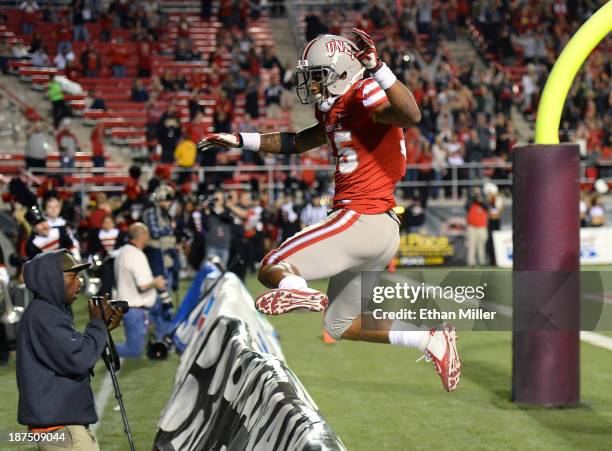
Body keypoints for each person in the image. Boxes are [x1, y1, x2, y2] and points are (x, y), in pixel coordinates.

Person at [198, 29, 461, 391]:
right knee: (340, 324)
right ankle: (429, 339)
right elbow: (297, 141)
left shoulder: (364, 91)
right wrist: (241, 140)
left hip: (361, 217)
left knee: (274, 266)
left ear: (340, 71)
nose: (313, 85)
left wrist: (379, 68)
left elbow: (410, 114)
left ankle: (297, 286)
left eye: (318, 76)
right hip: (380, 228)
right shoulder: (338, 108)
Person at [17, 249, 122, 450]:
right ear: (52, 280)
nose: (79, 281)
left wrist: (102, 328)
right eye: (73, 276)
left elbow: (70, 351)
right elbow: (79, 359)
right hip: (61, 427)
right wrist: (97, 325)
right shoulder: (45, 314)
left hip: (59, 422)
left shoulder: (48, 310)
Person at [114, 223, 166, 358]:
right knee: (134, 350)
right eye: (147, 234)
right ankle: (101, 349)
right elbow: (143, 286)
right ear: (142, 236)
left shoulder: (124, 251)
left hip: (131, 306)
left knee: (160, 322)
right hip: (135, 309)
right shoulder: (135, 255)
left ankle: (157, 344)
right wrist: (157, 282)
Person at [465, 188, 489, 267]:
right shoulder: (471, 201)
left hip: (482, 227)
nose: (477, 194)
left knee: (481, 245)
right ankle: (471, 262)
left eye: (478, 192)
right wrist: (472, 198)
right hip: (472, 227)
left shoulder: (483, 200)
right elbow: (466, 207)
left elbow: (487, 206)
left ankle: (482, 261)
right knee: (471, 245)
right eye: (475, 192)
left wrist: (480, 200)